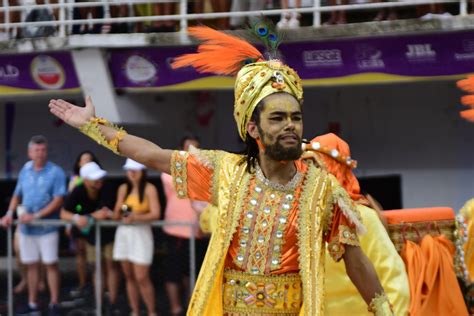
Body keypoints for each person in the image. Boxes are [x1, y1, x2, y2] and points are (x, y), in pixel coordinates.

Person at [49, 25, 393, 315]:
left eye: (295, 117)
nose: (291, 126)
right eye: (278, 118)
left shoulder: (322, 188)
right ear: (253, 129)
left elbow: (354, 258)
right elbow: (152, 155)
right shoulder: (226, 171)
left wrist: (385, 312)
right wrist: (92, 125)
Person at [303, 133, 410, 315]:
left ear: (333, 169)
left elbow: (394, 281)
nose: (308, 176)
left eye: (315, 166)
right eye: (305, 167)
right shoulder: (302, 219)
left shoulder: (363, 217)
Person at [1, 135, 66, 315]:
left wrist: (36, 215)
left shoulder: (56, 172)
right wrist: (8, 214)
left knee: (51, 263)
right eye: (37, 150)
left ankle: (54, 302)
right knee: (31, 265)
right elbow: (17, 194)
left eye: (43, 150)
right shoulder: (25, 170)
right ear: (30, 152)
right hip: (26, 228)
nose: (40, 154)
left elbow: (58, 199)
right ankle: (32, 302)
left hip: (47, 227)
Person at [60, 161, 121, 314]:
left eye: (100, 177)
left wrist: (87, 217)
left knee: (112, 265)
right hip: (92, 236)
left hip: (110, 233)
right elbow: (64, 213)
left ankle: (112, 303)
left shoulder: (107, 187)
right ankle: (99, 303)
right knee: (96, 267)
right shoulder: (78, 190)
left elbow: (105, 213)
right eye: (94, 178)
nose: (98, 181)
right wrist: (76, 218)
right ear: (85, 180)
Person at [161, 135, 209, 316]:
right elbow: (182, 184)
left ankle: (192, 307)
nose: (191, 152)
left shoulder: (203, 172)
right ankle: (175, 308)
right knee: (173, 271)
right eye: (188, 148)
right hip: (175, 230)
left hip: (197, 231)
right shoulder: (168, 172)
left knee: (194, 273)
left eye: (195, 149)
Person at [112, 159, 160, 316]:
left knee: (142, 277)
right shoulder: (123, 188)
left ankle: (151, 311)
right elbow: (116, 214)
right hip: (125, 233)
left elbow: (155, 213)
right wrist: (118, 212)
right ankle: (135, 310)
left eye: (135, 170)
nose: (131, 173)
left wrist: (136, 217)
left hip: (141, 233)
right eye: (129, 170)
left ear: (142, 171)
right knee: (129, 276)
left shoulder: (149, 188)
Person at [67, 150, 101, 297]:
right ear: (78, 164)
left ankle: (98, 288)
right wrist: (70, 224)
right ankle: (82, 284)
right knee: (80, 253)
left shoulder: (99, 180)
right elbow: (69, 205)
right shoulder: (75, 180)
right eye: (83, 160)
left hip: (94, 223)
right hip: (79, 221)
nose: (86, 162)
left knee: (95, 257)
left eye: (89, 159)